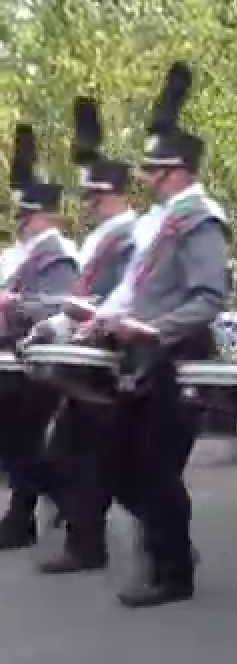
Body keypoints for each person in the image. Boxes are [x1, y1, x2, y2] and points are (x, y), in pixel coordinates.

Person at [85, 62, 230, 607]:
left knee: (157, 469)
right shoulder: (155, 223)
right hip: (140, 354)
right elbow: (131, 287)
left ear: (179, 171)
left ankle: (173, 572)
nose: (143, 176)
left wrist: (154, 328)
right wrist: (103, 316)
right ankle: (173, 544)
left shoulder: (201, 218)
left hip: (179, 357)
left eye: (152, 168)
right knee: (117, 463)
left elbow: (209, 297)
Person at [28, 97, 137, 573]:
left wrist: (91, 314)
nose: (88, 204)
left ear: (115, 194)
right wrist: (55, 323)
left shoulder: (132, 236)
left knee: (101, 462)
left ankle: (99, 543)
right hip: (85, 353)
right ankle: (87, 538)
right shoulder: (101, 237)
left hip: (114, 356)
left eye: (95, 196)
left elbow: (128, 295)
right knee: (63, 456)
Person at [0, 124, 78, 552]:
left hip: (37, 359)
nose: (21, 224)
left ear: (46, 216)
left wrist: (10, 304)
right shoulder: (25, 255)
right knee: (14, 444)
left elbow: (55, 306)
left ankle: (55, 503)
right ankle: (37, 508)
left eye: (26, 216)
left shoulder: (58, 255)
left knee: (22, 443)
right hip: (15, 359)